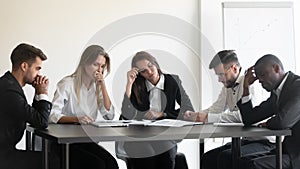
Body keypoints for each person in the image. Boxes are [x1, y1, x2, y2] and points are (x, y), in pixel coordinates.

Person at [184, 50, 275, 169]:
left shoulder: (251, 84)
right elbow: (217, 108)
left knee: (226, 157)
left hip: (265, 141)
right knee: (208, 157)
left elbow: (244, 116)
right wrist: (197, 115)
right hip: (247, 140)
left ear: (234, 69)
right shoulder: (228, 87)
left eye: (221, 74)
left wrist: (207, 117)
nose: (219, 79)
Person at [120, 51, 194, 169]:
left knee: (166, 156)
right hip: (139, 137)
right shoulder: (137, 85)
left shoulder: (172, 81)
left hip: (164, 135)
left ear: (156, 64)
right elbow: (126, 115)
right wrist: (129, 85)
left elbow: (188, 109)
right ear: (139, 74)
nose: (149, 71)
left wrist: (163, 114)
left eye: (150, 66)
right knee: (146, 156)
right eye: (143, 71)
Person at [49, 45, 118, 169]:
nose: (99, 70)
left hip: (86, 140)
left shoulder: (97, 86)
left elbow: (109, 115)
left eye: (102, 66)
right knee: (98, 165)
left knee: (112, 164)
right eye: (96, 65)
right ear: (85, 63)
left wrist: (103, 85)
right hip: (66, 143)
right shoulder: (67, 84)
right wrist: (76, 119)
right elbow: (53, 114)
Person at [237, 54, 300, 169]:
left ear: (276, 69)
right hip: (287, 150)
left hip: (296, 155)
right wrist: (246, 89)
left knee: (253, 165)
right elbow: (250, 118)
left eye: (262, 75)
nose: (260, 80)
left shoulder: (297, 86)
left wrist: (267, 123)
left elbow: (283, 122)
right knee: (239, 161)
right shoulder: (277, 93)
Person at [0, 43, 53, 169]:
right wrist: (43, 93)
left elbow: (34, 117)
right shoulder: (9, 91)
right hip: (4, 157)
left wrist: (37, 92)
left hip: (5, 153)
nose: (39, 74)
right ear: (24, 66)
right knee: (54, 161)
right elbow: (41, 122)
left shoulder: (9, 84)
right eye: (37, 68)